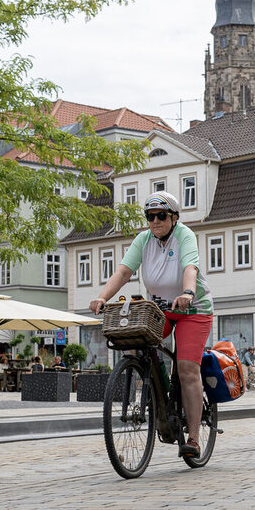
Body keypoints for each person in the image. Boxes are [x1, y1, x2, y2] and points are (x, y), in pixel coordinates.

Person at [91, 191, 214, 458]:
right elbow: (123, 271)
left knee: (186, 368)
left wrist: (188, 293)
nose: (155, 221)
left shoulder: (184, 235)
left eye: (161, 216)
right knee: (135, 346)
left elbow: (189, 267)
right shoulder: (144, 240)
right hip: (160, 310)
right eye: (150, 216)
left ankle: (193, 438)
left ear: (173, 217)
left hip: (193, 309)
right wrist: (102, 297)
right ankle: (150, 393)